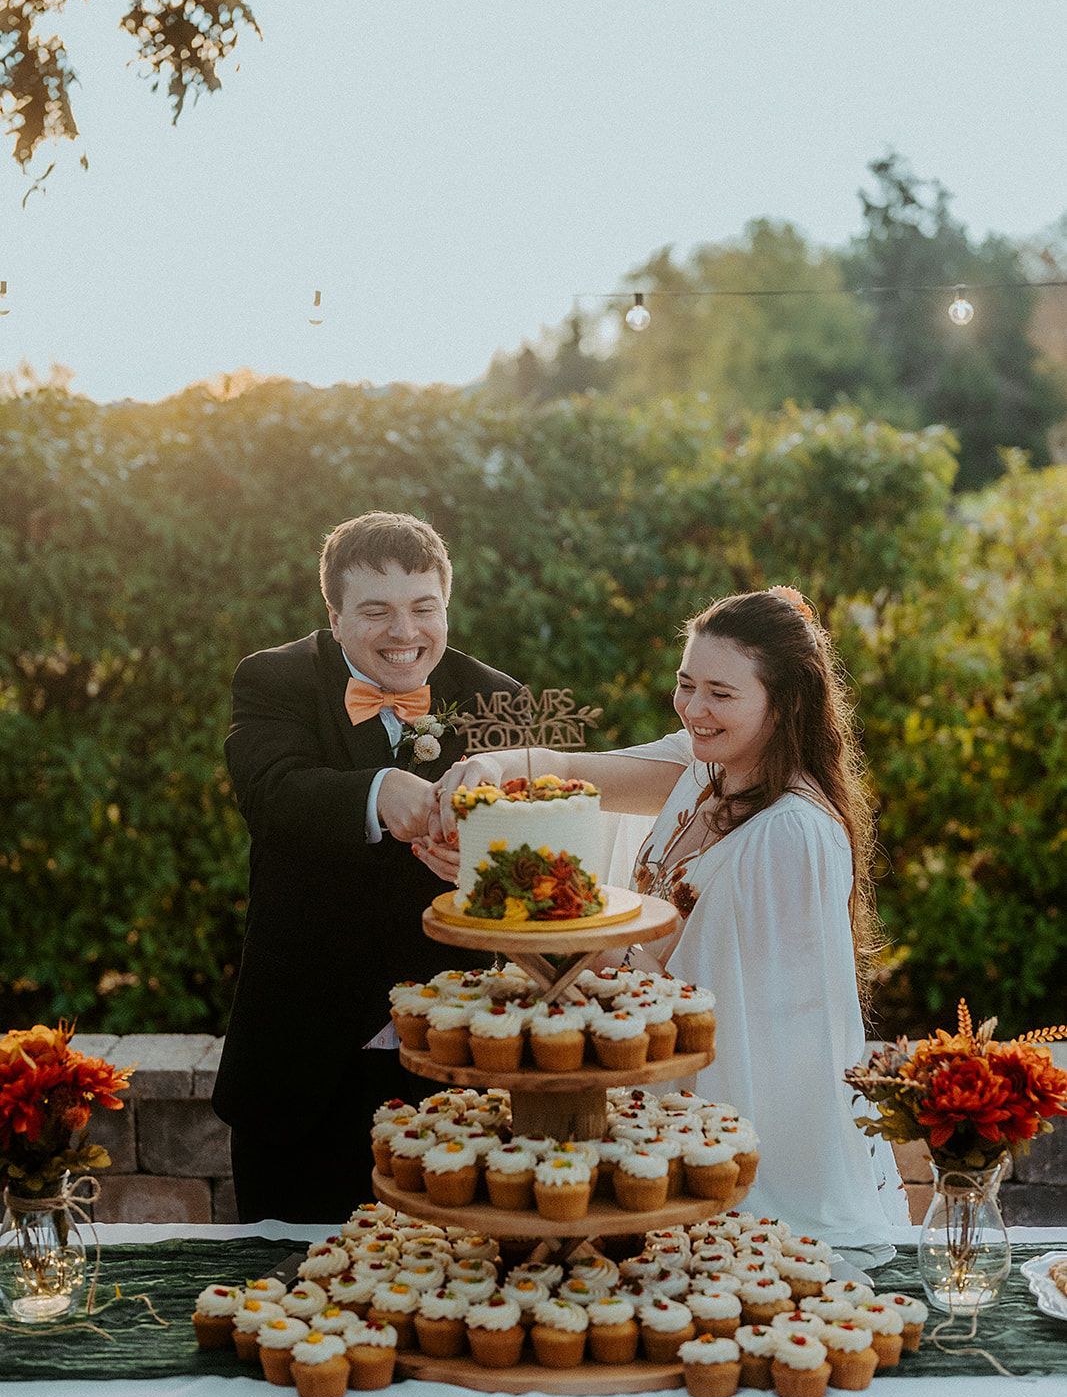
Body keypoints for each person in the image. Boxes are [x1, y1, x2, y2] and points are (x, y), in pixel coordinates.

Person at [433, 587, 908, 1243]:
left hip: (724, 1134)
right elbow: (573, 771)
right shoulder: (701, 765)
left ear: (787, 702)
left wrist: (519, 902)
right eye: (686, 685)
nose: (694, 709)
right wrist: (490, 771)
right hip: (644, 1101)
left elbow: (731, 1022)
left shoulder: (791, 834)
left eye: (720, 692)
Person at [212, 511, 522, 1221]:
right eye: (375, 611)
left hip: (452, 1055)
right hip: (308, 1056)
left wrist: (480, 859)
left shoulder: (495, 695)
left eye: (423, 609)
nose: (404, 633)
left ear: (446, 605)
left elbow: (523, 851)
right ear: (335, 615)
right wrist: (380, 792)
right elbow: (271, 793)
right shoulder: (274, 678)